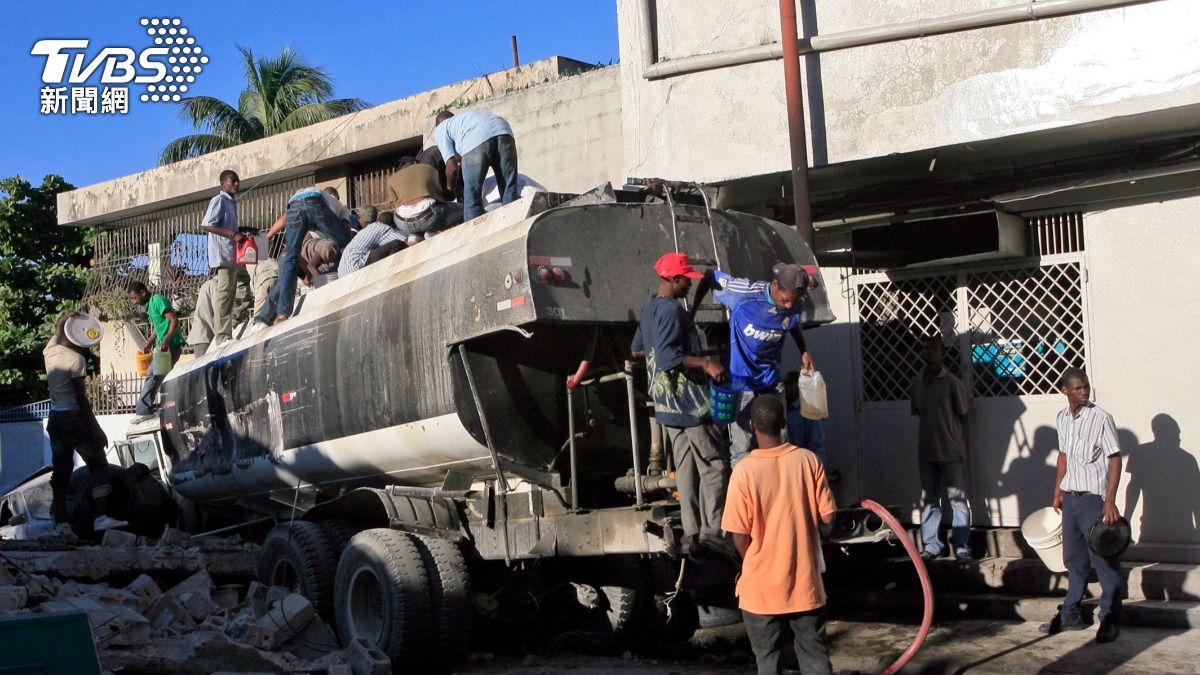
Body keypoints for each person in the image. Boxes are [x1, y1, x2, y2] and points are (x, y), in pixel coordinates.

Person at [723, 395, 836, 675]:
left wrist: (755, 562)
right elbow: (828, 518)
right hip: (804, 586)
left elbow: (737, 535)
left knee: (767, 662)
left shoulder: (743, 472)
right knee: (815, 658)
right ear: (784, 424)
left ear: (751, 426)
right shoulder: (808, 461)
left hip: (760, 590)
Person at [631, 252, 729, 554]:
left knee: (686, 470)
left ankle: (693, 532)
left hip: (667, 407)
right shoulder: (672, 311)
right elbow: (669, 358)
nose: (689, 284)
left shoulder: (649, 309)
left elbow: (637, 351)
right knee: (714, 466)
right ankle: (713, 532)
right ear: (673, 279)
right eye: (686, 279)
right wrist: (704, 363)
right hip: (690, 404)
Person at [692, 263, 815, 464]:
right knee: (743, 449)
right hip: (742, 385)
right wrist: (692, 314)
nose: (788, 306)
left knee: (781, 446)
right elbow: (708, 277)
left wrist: (804, 351)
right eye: (785, 300)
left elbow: (791, 323)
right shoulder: (744, 291)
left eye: (793, 302)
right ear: (775, 285)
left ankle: (779, 493)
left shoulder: (794, 303)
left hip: (770, 382)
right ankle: (746, 493)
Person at [1040, 368, 1123, 644]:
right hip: (1071, 497)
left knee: (1103, 558)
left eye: (1085, 387)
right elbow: (1063, 455)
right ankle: (1071, 614)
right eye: (1077, 388)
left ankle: (1110, 617)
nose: (1083, 392)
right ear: (1065, 390)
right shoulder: (1062, 418)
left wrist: (1109, 500)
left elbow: (1114, 458)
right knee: (1073, 560)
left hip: (1093, 499)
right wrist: (1057, 490)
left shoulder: (1100, 418)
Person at [43, 312, 128, 533]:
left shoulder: (49, 351)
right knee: (98, 465)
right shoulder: (76, 359)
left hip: (55, 418)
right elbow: (81, 400)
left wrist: (64, 319)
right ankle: (101, 518)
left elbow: (57, 330)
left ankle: (60, 524)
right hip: (74, 418)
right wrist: (97, 430)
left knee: (61, 472)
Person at [909, 338, 973, 560]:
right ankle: (931, 545)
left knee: (957, 499)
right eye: (924, 349)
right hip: (926, 451)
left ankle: (962, 546)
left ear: (942, 353)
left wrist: (956, 441)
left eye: (932, 349)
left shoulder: (952, 383)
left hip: (950, 450)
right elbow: (917, 411)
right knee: (930, 500)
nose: (928, 353)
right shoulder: (916, 383)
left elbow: (964, 413)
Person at [273, 186, 353, 322]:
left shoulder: (310, 193)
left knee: (290, 257)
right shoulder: (339, 205)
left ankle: (282, 312)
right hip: (314, 202)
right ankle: (351, 281)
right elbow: (346, 230)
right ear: (336, 197)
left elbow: (284, 219)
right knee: (346, 245)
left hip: (293, 205)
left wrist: (268, 236)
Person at [433, 109, 519, 220]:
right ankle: (512, 222)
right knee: (509, 191)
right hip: (504, 130)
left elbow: (452, 167)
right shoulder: (463, 121)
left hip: (476, 137)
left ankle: (473, 231)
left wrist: (450, 188)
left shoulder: (440, 128)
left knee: (472, 198)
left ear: (438, 124)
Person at [200, 170, 246, 342]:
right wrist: (232, 235)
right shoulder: (219, 200)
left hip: (233, 255)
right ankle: (222, 334)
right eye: (232, 181)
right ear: (222, 183)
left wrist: (242, 231)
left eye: (237, 181)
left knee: (237, 289)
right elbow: (206, 224)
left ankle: (233, 322)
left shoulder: (231, 202)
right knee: (224, 292)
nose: (235, 184)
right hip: (223, 255)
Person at [129, 281, 184, 417]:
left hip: (171, 346)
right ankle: (151, 409)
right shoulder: (151, 305)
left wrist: (166, 340)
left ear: (143, 292)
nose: (135, 302)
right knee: (155, 376)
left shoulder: (158, 300)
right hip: (164, 348)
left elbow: (174, 320)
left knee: (152, 376)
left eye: (135, 298)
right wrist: (149, 343)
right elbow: (158, 327)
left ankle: (143, 411)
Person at [388, 161, 465, 244]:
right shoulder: (428, 168)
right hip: (429, 217)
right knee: (465, 209)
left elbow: (394, 205)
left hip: (403, 223)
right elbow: (440, 197)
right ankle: (433, 230)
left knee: (415, 217)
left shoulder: (392, 179)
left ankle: (414, 236)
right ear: (415, 163)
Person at [188, 273, 251, 356]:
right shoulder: (216, 285)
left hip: (201, 334)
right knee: (206, 366)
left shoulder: (208, 284)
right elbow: (220, 311)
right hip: (205, 335)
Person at [338, 206, 407, 277]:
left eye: (359, 217)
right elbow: (405, 241)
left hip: (341, 272)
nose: (358, 220)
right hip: (355, 267)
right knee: (397, 244)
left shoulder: (361, 233)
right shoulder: (380, 227)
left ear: (364, 220)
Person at [783, 371, 826, 466]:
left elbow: (816, 443)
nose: (785, 388)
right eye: (784, 384)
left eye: (789, 384)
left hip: (805, 463)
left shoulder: (809, 409)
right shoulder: (783, 409)